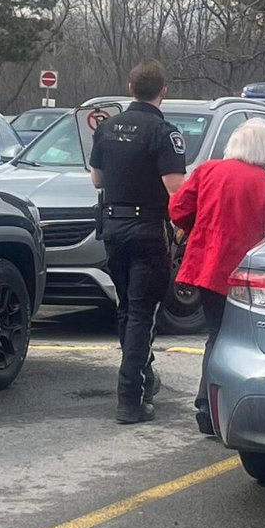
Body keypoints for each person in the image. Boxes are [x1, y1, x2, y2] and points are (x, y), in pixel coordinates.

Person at [169, 117, 265, 434]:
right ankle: (225, 408)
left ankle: (205, 409)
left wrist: (197, 227)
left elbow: (178, 210)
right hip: (247, 280)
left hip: (207, 270)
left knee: (215, 336)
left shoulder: (208, 171)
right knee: (242, 342)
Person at [89, 60, 187, 424]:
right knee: (142, 314)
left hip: (113, 229)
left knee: (127, 310)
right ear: (163, 91)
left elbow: (97, 181)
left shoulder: (107, 128)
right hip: (148, 230)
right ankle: (130, 398)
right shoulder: (164, 133)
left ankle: (143, 382)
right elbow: (175, 189)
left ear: (130, 87)